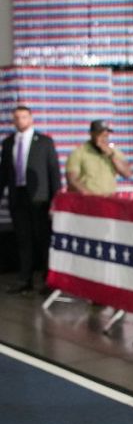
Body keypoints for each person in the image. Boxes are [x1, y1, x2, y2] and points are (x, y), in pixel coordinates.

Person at [0, 105, 60, 294]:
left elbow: (53, 171)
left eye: (24, 117)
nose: (20, 121)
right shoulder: (8, 142)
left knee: (43, 239)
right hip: (18, 196)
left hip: (40, 199)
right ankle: (24, 280)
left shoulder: (44, 142)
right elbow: (4, 173)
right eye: (17, 117)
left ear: (31, 119)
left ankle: (48, 280)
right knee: (23, 239)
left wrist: (56, 199)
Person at [66, 119, 132, 195]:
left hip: (109, 198)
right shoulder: (79, 152)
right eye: (100, 134)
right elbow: (72, 180)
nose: (103, 138)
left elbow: (127, 173)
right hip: (88, 198)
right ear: (91, 134)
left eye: (106, 135)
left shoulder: (114, 151)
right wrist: (89, 195)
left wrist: (112, 156)